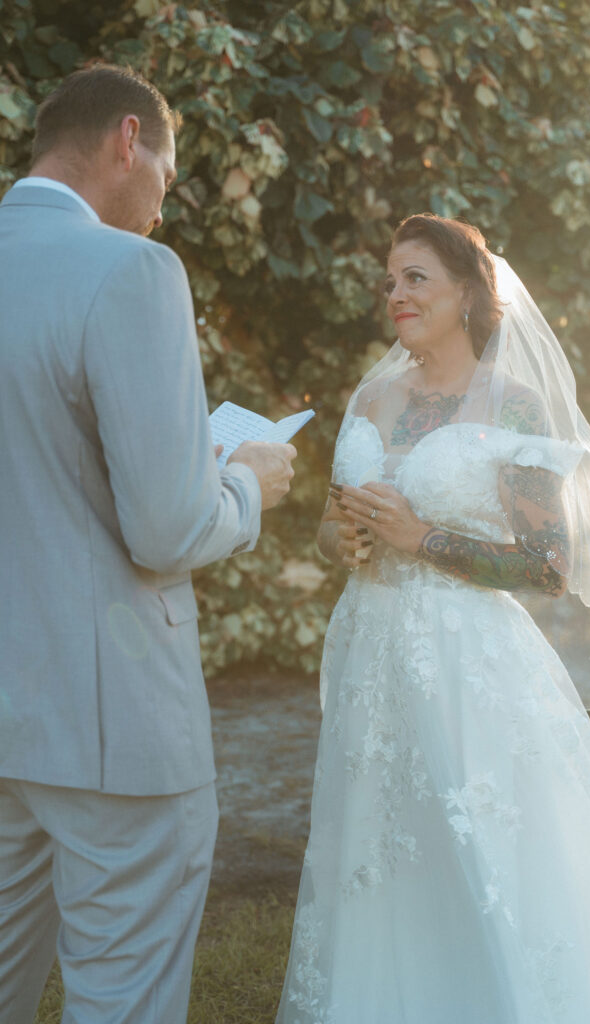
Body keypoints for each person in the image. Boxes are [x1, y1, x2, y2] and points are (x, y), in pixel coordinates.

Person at [276, 214, 590, 1023]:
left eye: (415, 277)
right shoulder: (371, 393)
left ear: (466, 291)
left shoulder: (514, 406)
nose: (395, 293)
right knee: (379, 843)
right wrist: (348, 535)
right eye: (389, 280)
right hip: (369, 652)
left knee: (491, 840)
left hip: (471, 660)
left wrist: (419, 537)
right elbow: (329, 530)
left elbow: (547, 566)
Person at [0, 64, 296, 1024]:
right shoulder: (129, 272)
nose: (162, 215)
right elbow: (167, 527)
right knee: (120, 999)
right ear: (129, 140)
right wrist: (248, 481)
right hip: (111, 726)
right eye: (165, 183)